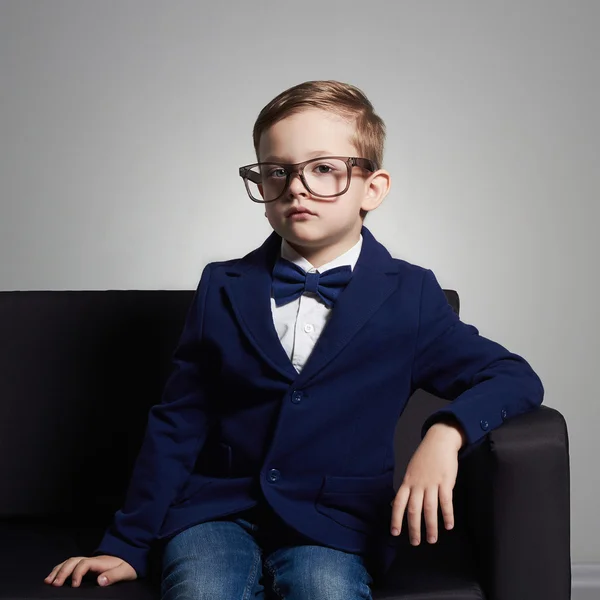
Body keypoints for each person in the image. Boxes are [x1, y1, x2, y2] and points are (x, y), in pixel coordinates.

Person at [44, 80, 544, 599]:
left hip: (336, 521)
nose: (297, 187)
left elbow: (513, 376)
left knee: (326, 591)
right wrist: (126, 544)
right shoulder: (222, 285)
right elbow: (178, 421)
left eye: (325, 168)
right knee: (202, 589)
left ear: (373, 188)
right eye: (277, 171)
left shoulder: (411, 294)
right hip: (215, 510)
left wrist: (447, 432)